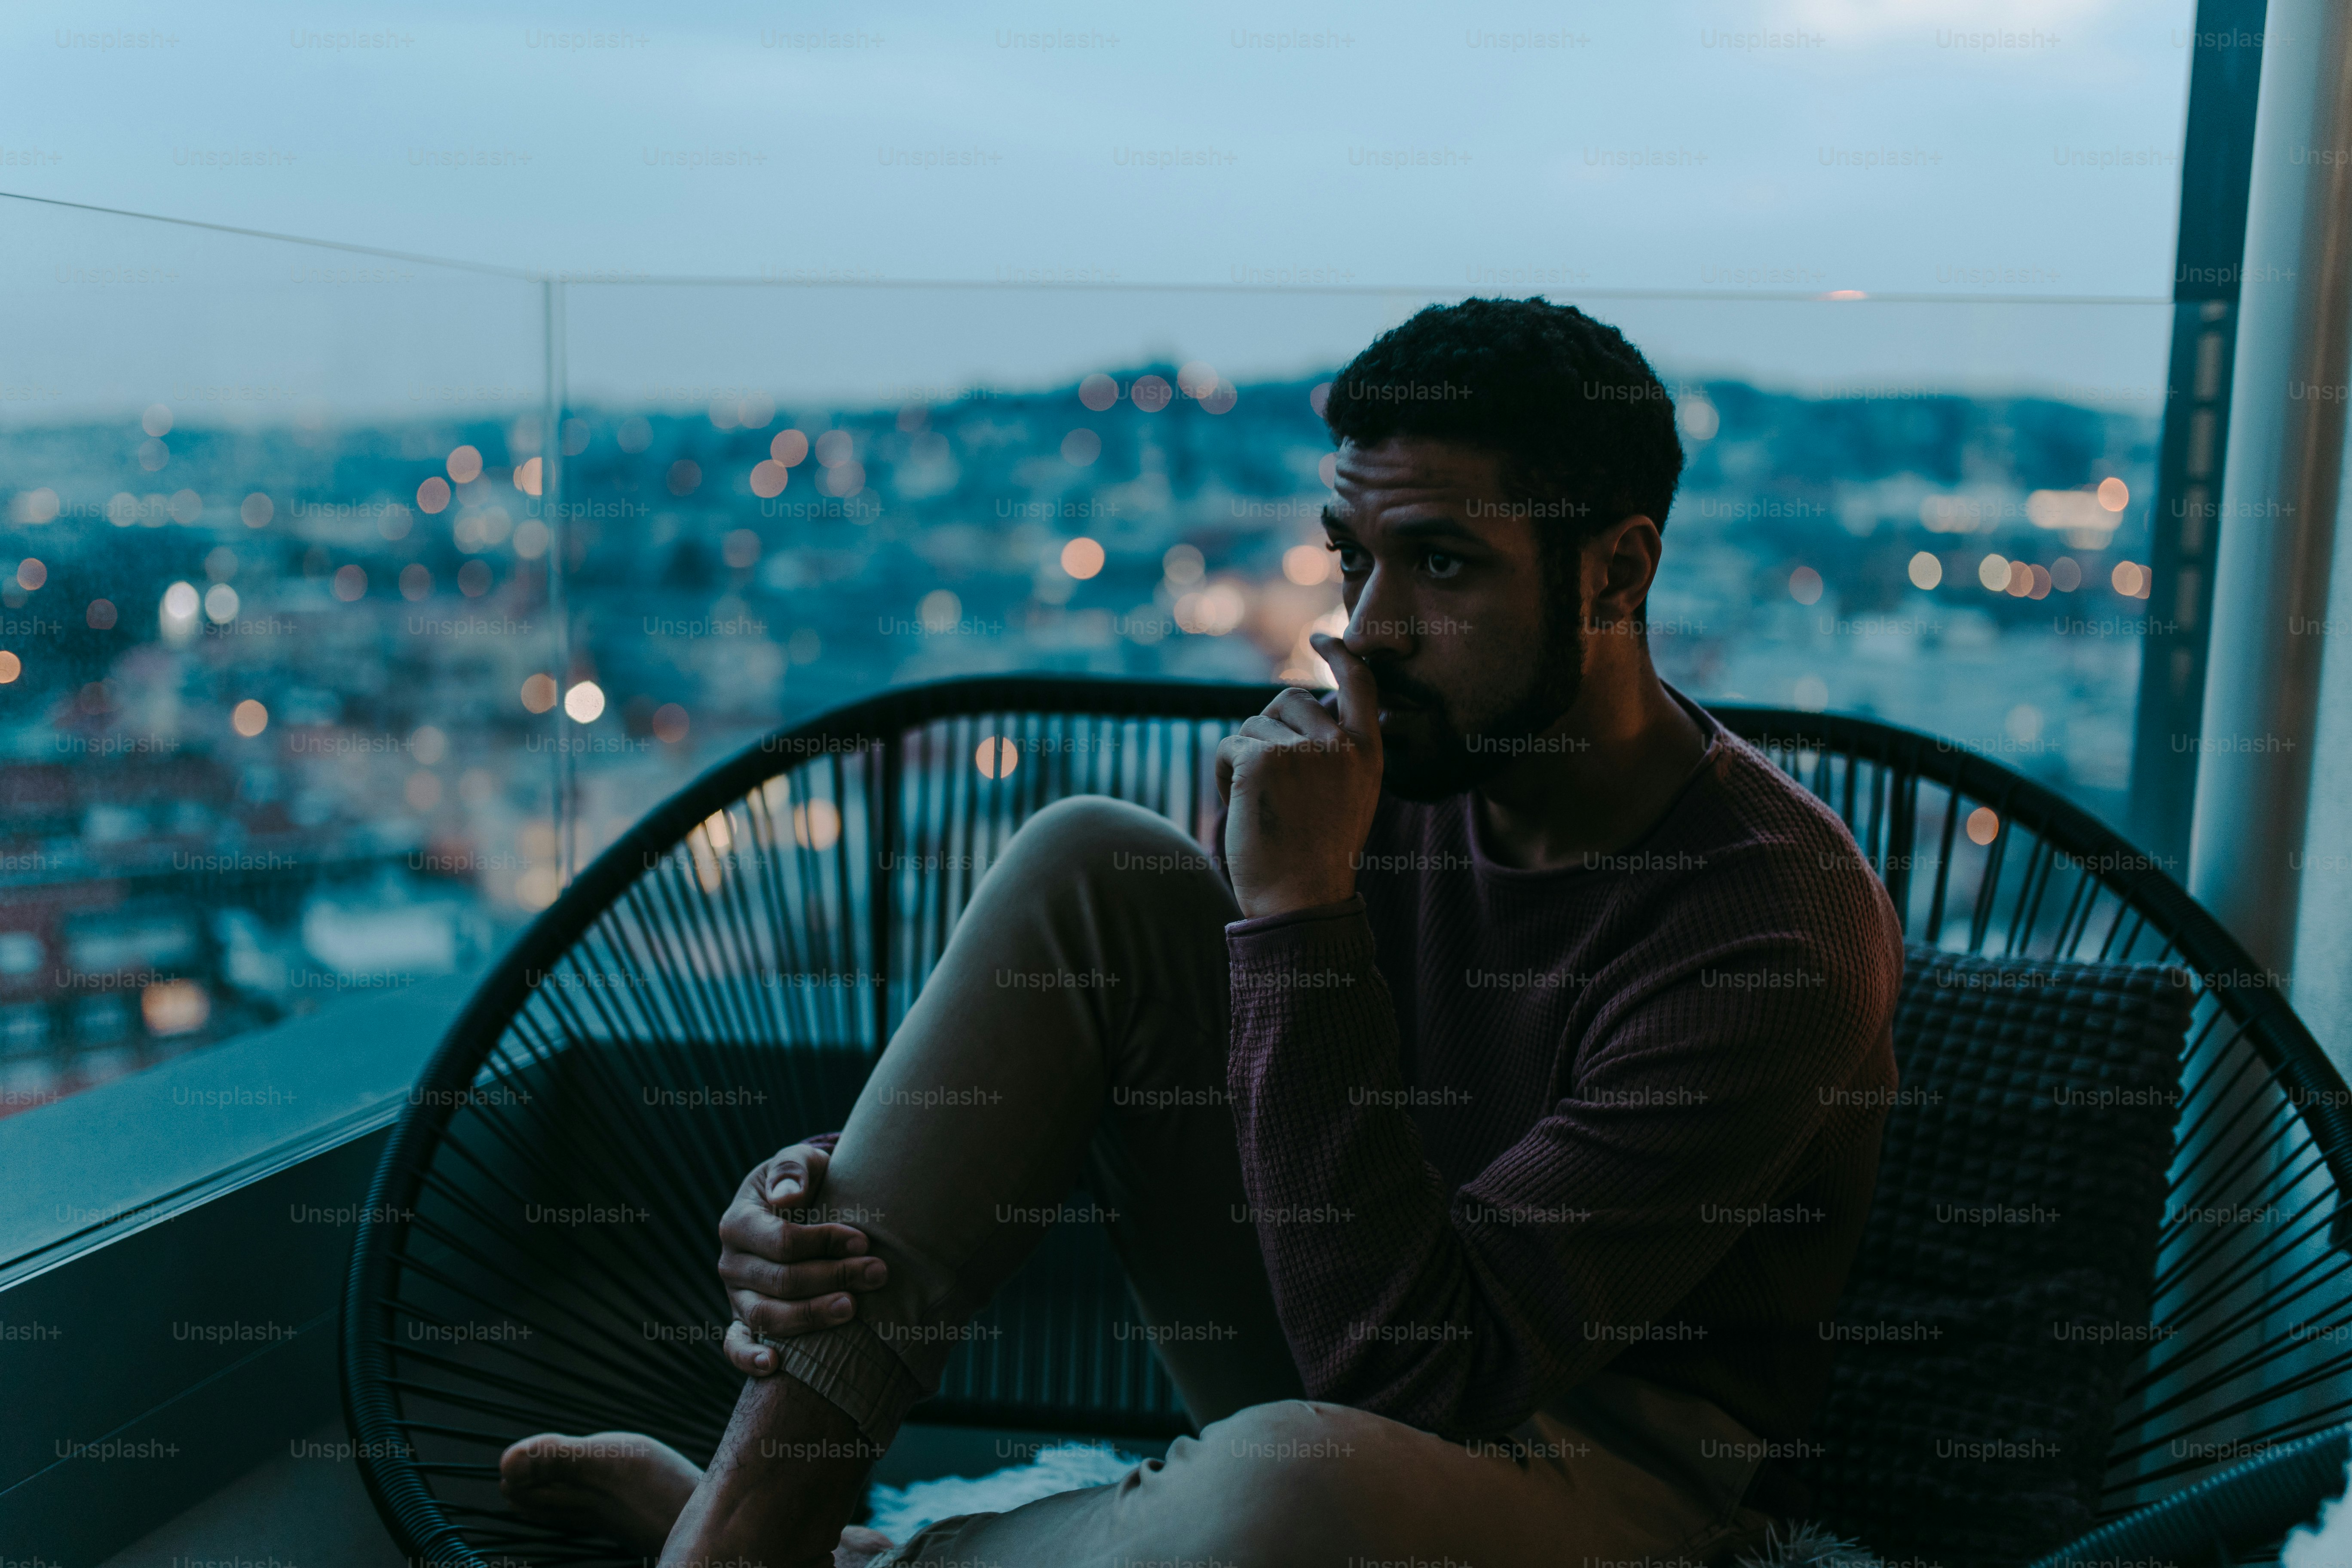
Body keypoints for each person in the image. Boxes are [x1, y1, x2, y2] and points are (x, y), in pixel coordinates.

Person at [497, 297, 1903, 1568]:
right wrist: (826, 1204)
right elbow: (1152, 1092)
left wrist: (1302, 912)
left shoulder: (1773, 920)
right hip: (1339, 1327)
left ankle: (854, 1560)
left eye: (1444, 566)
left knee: (1284, 1496)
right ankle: (745, 1534)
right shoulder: (1392, 769)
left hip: (1611, 1478)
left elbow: (1427, 1379)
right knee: (1088, 862)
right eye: (1354, 560)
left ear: (1615, 574)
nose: (1369, 632)